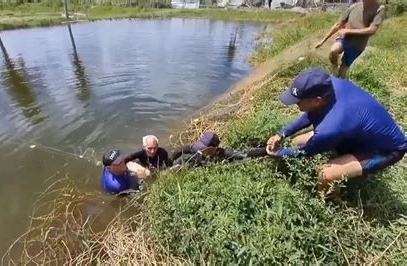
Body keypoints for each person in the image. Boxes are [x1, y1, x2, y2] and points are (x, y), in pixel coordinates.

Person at [265, 68, 406, 195]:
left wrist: (279, 152)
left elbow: (305, 152)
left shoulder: (332, 126)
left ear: (317, 100)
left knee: (325, 175)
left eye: (298, 100)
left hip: (387, 150)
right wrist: (281, 133)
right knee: (296, 141)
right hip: (355, 133)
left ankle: (331, 202)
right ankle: (346, 156)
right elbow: (311, 113)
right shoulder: (329, 85)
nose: (295, 103)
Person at [315, 0, 386, 77]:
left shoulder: (379, 9)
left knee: (343, 71)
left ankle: (340, 84)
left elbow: (372, 30)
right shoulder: (354, 6)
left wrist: (348, 31)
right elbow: (338, 24)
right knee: (333, 51)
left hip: (357, 44)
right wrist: (322, 41)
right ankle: (335, 68)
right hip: (345, 38)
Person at [172, 131, 267, 166]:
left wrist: (265, 151)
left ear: (214, 148)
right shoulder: (191, 149)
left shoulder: (224, 153)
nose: (200, 150)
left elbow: (245, 155)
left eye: (204, 148)